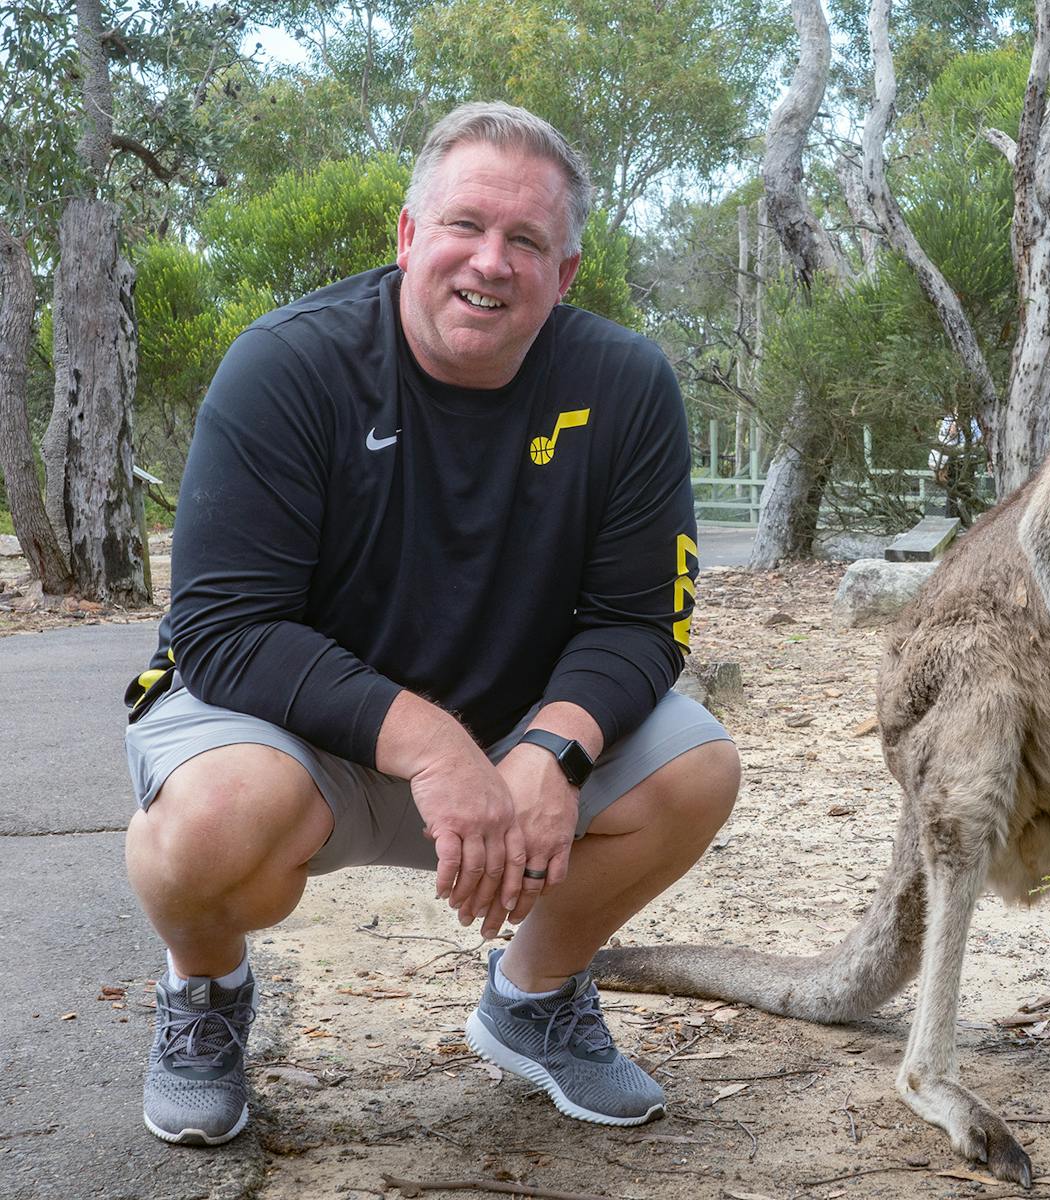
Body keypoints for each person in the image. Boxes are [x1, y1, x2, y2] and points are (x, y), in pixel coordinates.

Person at [121, 101, 740, 1146]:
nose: (489, 262)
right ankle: (206, 995)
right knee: (210, 825)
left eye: (526, 240)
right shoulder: (289, 365)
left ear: (567, 272)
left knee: (696, 769)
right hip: (287, 735)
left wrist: (555, 748)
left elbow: (640, 623)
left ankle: (533, 1000)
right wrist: (429, 743)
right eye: (463, 226)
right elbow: (225, 629)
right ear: (409, 237)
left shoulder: (624, 387)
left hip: (506, 742)